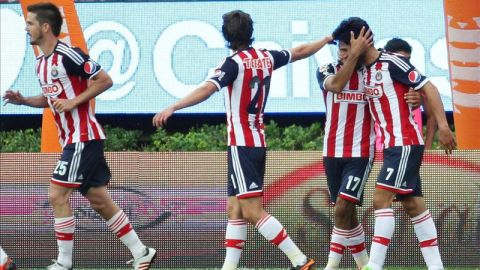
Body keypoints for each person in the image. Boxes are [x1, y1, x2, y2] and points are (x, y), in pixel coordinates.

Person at [153, 10, 331, 270]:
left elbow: (206, 89)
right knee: (235, 208)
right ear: (251, 32)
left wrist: (173, 107)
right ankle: (230, 268)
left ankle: (299, 260)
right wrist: (325, 38)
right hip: (256, 140)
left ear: (226, 36)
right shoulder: (265, 57)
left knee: (251, 212)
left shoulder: (232, 63)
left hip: (242, 143)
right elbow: (301, 50)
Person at [2, 3, 155, 270]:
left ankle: (64, 263)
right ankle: (141, 252)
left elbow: (104, 80)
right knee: (98, 199)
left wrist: (74, 101)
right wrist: (24, 100)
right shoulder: (41, 62)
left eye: (30, 23)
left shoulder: (68, 55)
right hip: (74, 139)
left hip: (82, 137)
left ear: (45, 27)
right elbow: (52, 100)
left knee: (56, 195)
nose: (26, 28)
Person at [329, 17, 456, 270]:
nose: (344, 52)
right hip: (390, 147)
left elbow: (428, 86)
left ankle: (373, 266)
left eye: (346, 45)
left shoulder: (391, 62)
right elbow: (335, 85)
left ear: (359, 41)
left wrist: (443, 126)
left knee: (380, 198)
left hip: (405, 143)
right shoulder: (361, 69)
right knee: (413, 204)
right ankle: (437, 267)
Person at [317, 29, 423, 269]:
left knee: (344, 207)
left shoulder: (372, 73)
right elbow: (334, 86)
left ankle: (331, 266)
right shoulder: (327, 70)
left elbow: (407, 88)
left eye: (349, 49)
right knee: (346, 214)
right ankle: (364, 264)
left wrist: (416, 97)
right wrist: (352, 57)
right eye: (342, 50)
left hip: (361, 154)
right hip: (331, 152)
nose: (345, 54)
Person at [384, 38, 437, 149]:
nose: (404, 63)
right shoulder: (372, 75)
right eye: (400, 59)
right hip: (378, 147)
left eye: (407, 60)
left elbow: (432, 116)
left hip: (410, 145)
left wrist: (427, 149)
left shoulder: (415, 78)